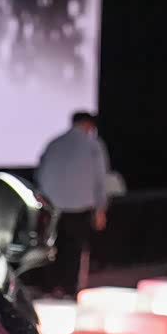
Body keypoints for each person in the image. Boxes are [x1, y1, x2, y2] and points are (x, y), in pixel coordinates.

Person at [36, 112, 111, 298]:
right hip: (80, 207)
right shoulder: (93, 145)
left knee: (52, 249)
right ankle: (70, 291)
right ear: (89, 125)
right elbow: (101, 180)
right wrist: (101, 208)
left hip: (53, 207)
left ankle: (50, 289)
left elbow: (40, 175)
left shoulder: (54, 143)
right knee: (75, 250)